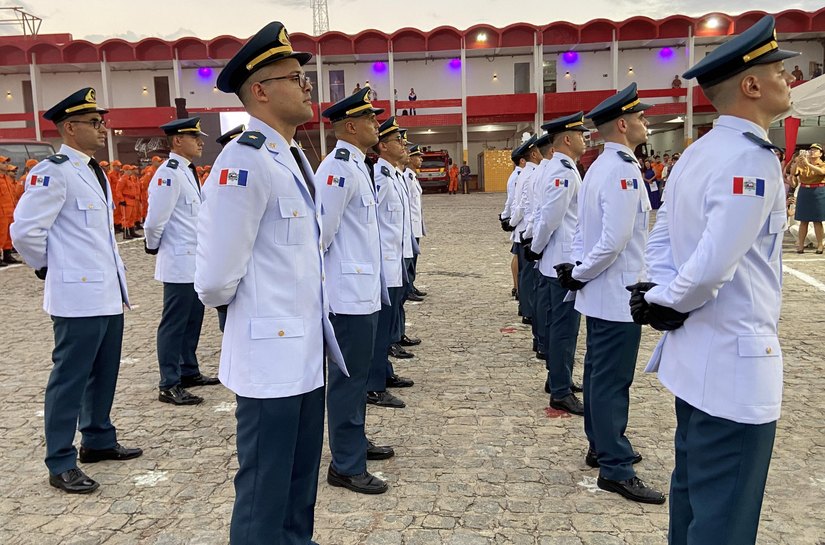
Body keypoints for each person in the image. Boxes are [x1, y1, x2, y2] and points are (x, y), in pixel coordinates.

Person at [635, 15, 797, 544]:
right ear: (750, 85)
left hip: (697, 356)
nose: (787, 80)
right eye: (779, 71)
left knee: (692, 498)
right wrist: (670, 299)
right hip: (733, 364)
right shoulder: (750, 158)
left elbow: (662, 241)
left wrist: (660, 296)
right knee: (725, 517)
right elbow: (713, 263)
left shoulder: (698, 152)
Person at [195, 22, 346, 544]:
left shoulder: (293, 157)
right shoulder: (244, 161)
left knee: (299, 487)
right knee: (265, 491)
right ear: (259, 91)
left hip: (303, 356)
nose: (307, 87)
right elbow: (214, 279)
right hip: (269, 358)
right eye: (294, 77)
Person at [10, 87, 141, 494]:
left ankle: (98, 439)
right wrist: (49, 266)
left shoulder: (91, 169)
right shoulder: (54, 170)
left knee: (103, 372)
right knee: (70, 378)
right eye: (95, 123)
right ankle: (60, 460)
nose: (103, 129)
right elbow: (26, 232)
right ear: (70, 127)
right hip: (77, 296)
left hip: (105, 292)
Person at [555, 82, 665, 504]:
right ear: (622, 123)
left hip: (605, 291)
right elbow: (615, 240)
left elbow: (590, 232)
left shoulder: (600, 165)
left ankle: (600, 445)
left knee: (599, 375)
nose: (644, 122)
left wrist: (580, 272)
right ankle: (614, 466)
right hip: (616, 292)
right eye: (639, 117)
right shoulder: (621, 169)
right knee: (612, 381)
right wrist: (580, 273)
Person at [317, 87, 394, 495]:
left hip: (362, 292)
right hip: (346, 296)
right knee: (348, 380)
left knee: (359, 376)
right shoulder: (337, 169)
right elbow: (319, 237)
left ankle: (355, 442)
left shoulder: (358, 166)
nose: (377, 124)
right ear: (350, 126)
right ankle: (346, 463)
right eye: (370, 119)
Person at [143, 117, 219, 406]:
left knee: (192, 322)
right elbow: (154, 222)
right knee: (174, 324)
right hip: (178, 263)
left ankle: (188, 371)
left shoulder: (186, 172)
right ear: (177, 140)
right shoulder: (169, 174)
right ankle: (169, 383)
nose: (201, 141)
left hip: (194, 262)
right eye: (194, 136)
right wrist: (154, 248)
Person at [529, 111, 588, 414]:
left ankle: (557, 378)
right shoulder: (563, 171)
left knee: (559, 326)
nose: (584, 138)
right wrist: (536, 248)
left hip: (555, 258)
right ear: (566, 139)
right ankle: (561, 389)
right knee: (564, 328)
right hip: (561, 260)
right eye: (580, 134)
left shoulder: (560, 167)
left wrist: (537, 250)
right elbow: (550, 218)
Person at [366, 116, 413, 409]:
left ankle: (384, 373)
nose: (404, 144)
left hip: (395, 263)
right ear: (382, 146)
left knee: (386, 328)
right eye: (398, 140)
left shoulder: (393, 175)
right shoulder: (379, 177)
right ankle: (373, 386)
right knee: (379, 329)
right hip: (383, 266)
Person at [501, 149, 525, 299]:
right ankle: (516, 287)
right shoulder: (518, 177)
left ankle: (517, 287)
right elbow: (513, 201)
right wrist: (507, 218)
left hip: (519, 220)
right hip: (520, 222)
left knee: (517, 254)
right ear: (522, 161)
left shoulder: (519, 175)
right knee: (517, 255)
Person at [793, 143, 825, 253]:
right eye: (811, 150)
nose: (812, 152)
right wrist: (797, 162)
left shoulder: (822, 164)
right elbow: (793, 173)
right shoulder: (803, 164)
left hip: (817, 191)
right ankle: (801, 245)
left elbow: (821, 172)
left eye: (816, 150)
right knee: (803, 220)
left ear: (820, 154)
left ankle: (820, 245)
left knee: (817, 220)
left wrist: (808, 164)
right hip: (804, 190)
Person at [406, 144, 427, 299]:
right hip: (409, 226)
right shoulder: (406, 177)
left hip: (416, 224)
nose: (420, 159)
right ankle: (408, 288)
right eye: (418, 156)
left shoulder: (413, 176)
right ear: (410, 158)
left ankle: (411, 285)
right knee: (409, 259)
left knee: (414, 258)